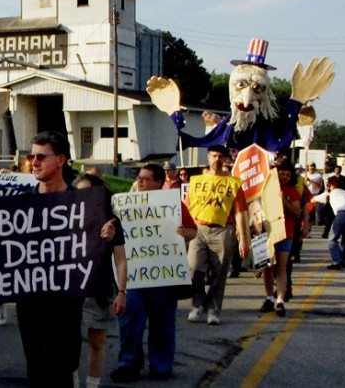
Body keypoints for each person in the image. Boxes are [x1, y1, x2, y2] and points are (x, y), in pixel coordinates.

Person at [15, 131, 104, 388]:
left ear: (61, 160)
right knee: (36, 368)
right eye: (31, 155)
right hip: (29, 299)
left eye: (41, 156)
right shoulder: (21, 204)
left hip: (66, 299)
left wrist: (104, 236)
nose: (34, 161)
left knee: (61, 367)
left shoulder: (83, 203)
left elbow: (97, 250)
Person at [111, 164, 197, 383]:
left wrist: (183, 233)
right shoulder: (125, 205)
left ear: (159, 182)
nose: (140, 182)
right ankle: (128, 364)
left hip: (163, 276)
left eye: (145, 179)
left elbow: (193, 231)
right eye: (139, 178)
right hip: (134, 276)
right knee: (130, 321)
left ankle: (161, 365)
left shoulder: (173, 204)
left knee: (162, 323)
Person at [186, 145, 250, 325]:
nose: (217, 160)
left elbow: (239, 212)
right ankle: (197, 304)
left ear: (226, 160)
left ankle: (213, 309)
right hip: (199, 228)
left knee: (219, 273)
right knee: (194, 269)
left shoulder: (233, 183)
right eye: (214, 156)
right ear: (208, 157)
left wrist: (243, 239)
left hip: (223, 229)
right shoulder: (196, 181)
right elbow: (188, 207)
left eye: (220, 157)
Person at [74, 171, 127, 388]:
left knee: (97, 342)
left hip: (99, 289)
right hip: (70, 289)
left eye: (88, 193)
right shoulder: (65, 218)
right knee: (70, 343)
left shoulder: (111, 223)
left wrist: (122, 293)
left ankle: (93, 384)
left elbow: (121, 260)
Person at [258, 161, 301, 317]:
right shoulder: (265, 188)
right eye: (282, 173)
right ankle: (269, 297)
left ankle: (280, 300)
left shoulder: (293, 192)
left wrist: (283, 200)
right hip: (266, 232)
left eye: (288, 175)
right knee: (267, 267)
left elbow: (296, 213)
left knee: (281, 267)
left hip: (285, 233)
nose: (284, 177)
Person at [310, 175, 345, 269]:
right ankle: (344, 261)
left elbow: (312, 200)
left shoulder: (330, 193)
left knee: (332, 240)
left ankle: (336, 262)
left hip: (342, 213)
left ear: (332, 185)